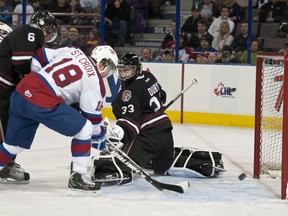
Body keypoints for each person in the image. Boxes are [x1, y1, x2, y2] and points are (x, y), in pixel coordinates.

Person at [0, 45, 118, 192]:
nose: (107, 74)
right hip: (42, 100)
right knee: (84, 129)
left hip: (23, 90)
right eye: (109, 68)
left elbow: (39, 56)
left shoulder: (74, 51)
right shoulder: (95, 81)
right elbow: (93, 125)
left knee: (13, 146)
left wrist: (38, 83)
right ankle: (78, 177)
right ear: (102, 63)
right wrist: (102, 140)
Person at [0, 10, 57, 183]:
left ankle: (7, 164)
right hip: (2, 88)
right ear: (43, 26)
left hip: (5, 90)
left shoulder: (26, 34)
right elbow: (22, 62)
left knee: (10, 126)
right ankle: (6, 165)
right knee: (8, 128)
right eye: (48, 29)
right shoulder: (32, 32)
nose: (47, 33)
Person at [110, 52, 174, 175]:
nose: (123, 75)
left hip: (148, 136)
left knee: (121, 169)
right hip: (166, 131)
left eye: (127, 71)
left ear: (137, 69)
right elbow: (162, 96)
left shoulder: (129, 92)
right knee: (162, 170)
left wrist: (116, 135)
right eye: (121, 71)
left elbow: (131, 125)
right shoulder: (149, 76)